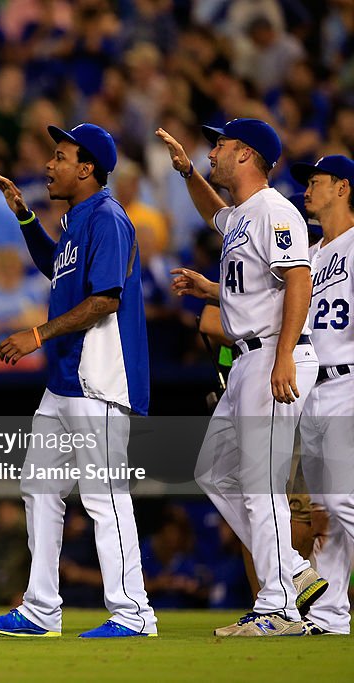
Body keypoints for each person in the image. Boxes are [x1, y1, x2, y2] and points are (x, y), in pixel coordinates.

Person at [0, 123, 158, 638]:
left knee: (104, 496)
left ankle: (133, 612)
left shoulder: (108, 218)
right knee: (39, 488)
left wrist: (37, 333)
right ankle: (40, 608)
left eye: (60, 156)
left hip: (98, 378)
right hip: (63, 383)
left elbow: (106, 299)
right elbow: (56, 267)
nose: (49, 165)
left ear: (87, 169)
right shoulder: (77, 219)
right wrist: (25, 218)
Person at [156, 118, 322, 636]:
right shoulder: (247, 214)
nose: (213, 151)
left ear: (247, 154)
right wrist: (186, 173)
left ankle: (277, 606)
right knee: (215, 471)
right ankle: (292, 573)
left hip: (273, 351)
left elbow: (299, 277)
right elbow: (218, 218)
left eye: (221, 145)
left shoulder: (275, 210)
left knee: (260, 482)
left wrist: (285, 355)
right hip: (250, 355)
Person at [289, 155, 354, 635]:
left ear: (343, 188)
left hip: (349, 380)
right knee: (327, 511)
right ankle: (330, 614)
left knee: (343, 499)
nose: (307, 190)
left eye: (315, 182)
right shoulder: (311, 254)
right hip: (312, 388)